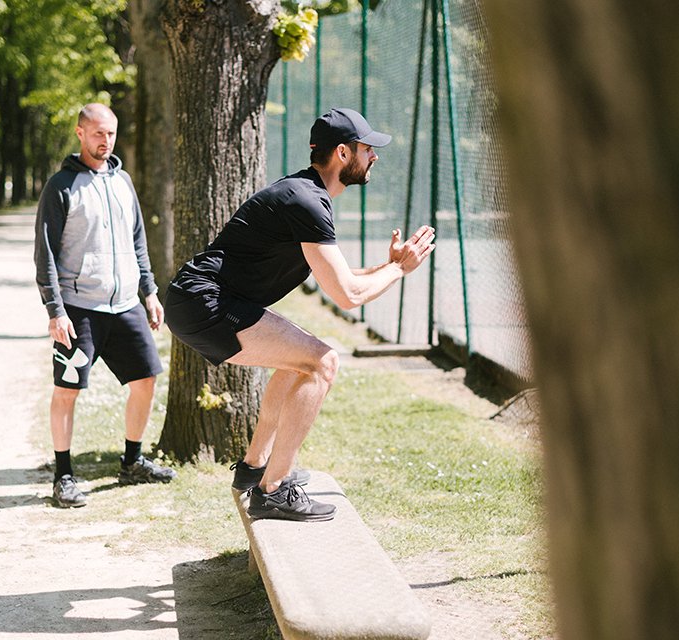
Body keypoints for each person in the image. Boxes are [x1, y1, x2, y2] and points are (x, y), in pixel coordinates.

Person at [164, 108, 435, 522]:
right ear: (343, 153)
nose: (374, 156)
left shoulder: (305, 194)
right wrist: (400, 269)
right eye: (367, 149)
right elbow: (348, 296)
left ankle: (256, 468)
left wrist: (387, 266)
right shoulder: (307, 201)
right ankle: (273, 489)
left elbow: (339, 276)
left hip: (201, 300)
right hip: (206, 302)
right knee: (322, 361)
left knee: (298, 363)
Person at [34, 103, 176, 508]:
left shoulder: (123, 181)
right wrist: (55, 310)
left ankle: (132, 462)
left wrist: (149, 291)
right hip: (79, 310)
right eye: (97, 133)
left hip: (125, 304)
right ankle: (63, 476)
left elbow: (137, 242)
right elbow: (44, 254)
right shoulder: (61, 186)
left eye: (110, 133)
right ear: (80, 133)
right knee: (67, 390)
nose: (105, 141)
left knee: (146, 380)